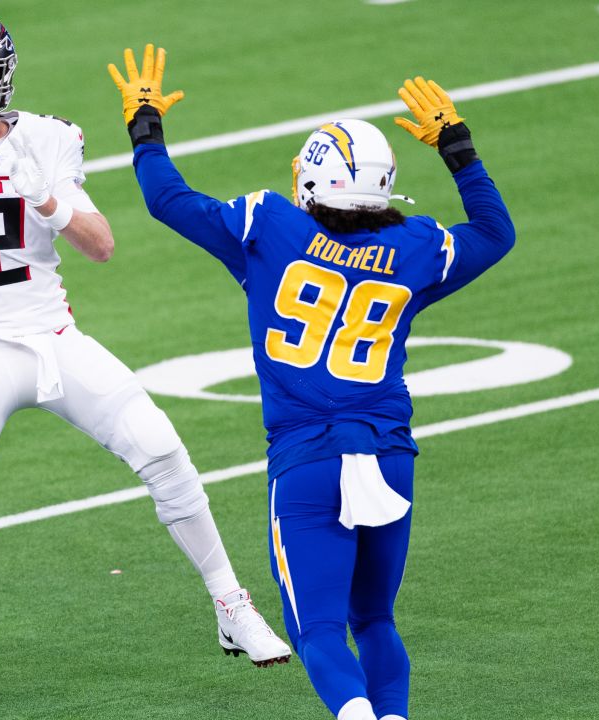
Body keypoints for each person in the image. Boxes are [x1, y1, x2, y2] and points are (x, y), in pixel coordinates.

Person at [0, 13, 291, 704]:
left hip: (53, 336)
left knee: (163, 450)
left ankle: (232, 607)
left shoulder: (49, 138)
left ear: (2, 75)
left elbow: (101, 244)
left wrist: (48, 199)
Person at [109, 45, 515, 720]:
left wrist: (145, 126)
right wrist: (458, 147)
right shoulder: (415, 248)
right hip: (388, 453)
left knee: (319, 630)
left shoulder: (270, 225)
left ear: (314, 182)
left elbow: (166, 198)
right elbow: (494, 233)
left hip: (307, 459)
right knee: (376, 621)